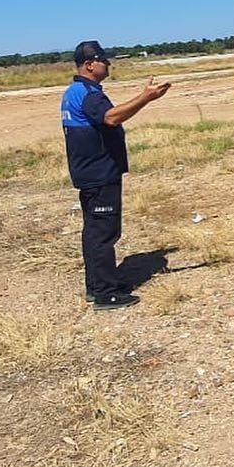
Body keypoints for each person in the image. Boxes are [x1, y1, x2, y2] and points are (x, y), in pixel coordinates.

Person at [61, 40, 170, 311]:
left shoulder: (76, 91)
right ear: (89, 65)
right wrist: (146, 98)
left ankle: (98, 284)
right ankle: (104, 295)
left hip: (91, 172)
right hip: (98, 173)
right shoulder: (87, 93)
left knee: (95, 231)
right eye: (103, 60)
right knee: (103, 233)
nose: (108, 64)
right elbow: (111, 118)